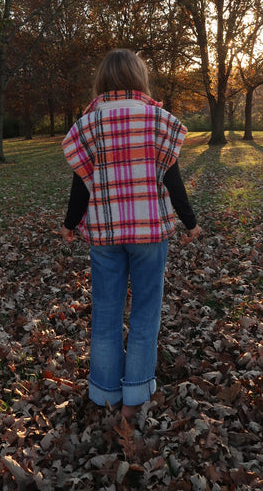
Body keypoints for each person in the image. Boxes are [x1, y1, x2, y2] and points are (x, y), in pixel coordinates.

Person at [61, 49, 200, 421]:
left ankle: (105, 393)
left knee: (106, 314)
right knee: (145, 312)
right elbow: (172, 176)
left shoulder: (89, 122)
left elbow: (81, 182)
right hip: (150, 230)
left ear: (102, 80)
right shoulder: (156, 118)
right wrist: (189, 221)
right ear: (139, 78)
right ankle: (136, 395)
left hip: (105, 232)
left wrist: (70, 223)